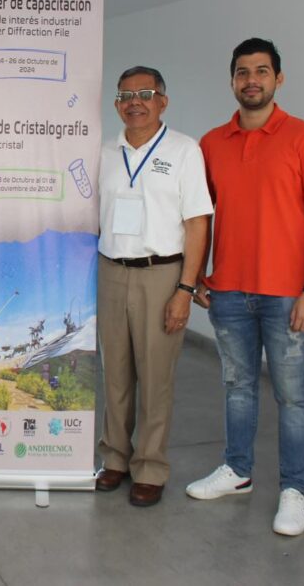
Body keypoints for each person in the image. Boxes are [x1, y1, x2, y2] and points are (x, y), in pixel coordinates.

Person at [186, 38, 304, 537]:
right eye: (242, 72)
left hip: (288, 296)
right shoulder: (211, 143)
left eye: (261, 71)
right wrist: (199, 278)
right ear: (232, 80)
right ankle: (238, 471)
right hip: (228, 292)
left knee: (293, 397)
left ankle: (295, 490)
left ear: (279, 78)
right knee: (237, 388)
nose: (251, 80)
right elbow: (200, 219)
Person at [95, 66, 212, 507]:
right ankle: (115, 459)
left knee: (156, 376)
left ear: (163, 100)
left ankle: (150, 466)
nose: (135, 102)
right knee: (116, 374)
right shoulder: (105, 152)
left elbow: (198, 223)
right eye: (126, 95)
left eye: (145, 93)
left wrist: (185, 289)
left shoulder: (184, 151)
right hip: (110, 270)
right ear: (116, 105)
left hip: (162, 273)